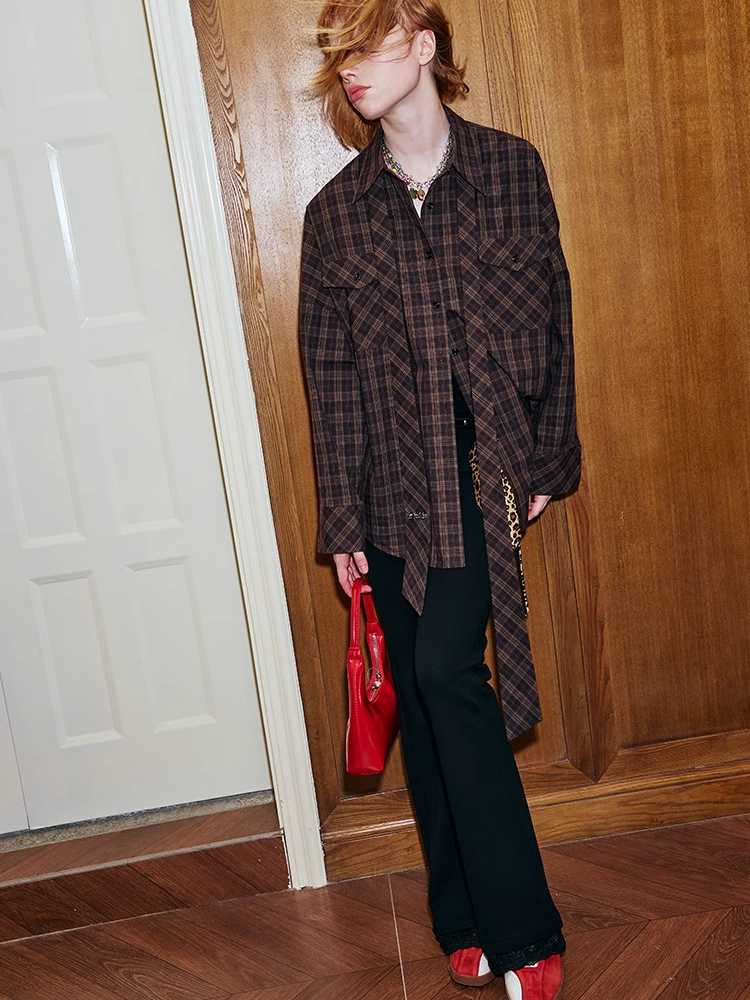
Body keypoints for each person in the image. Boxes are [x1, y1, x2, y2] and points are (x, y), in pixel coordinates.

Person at [298, 2, 581, 995]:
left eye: (367, 47)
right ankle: (459, 914)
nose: (351, 71)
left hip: (477, 461)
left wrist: (545, 461)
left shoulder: (511, 169)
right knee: (420, 694)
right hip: (387, 480)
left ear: (423, 46)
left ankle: (525, 931)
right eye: (338, 57)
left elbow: (554, 316)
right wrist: (343, 519)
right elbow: (330, 380)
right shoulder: (335, 214)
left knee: (446, 671)